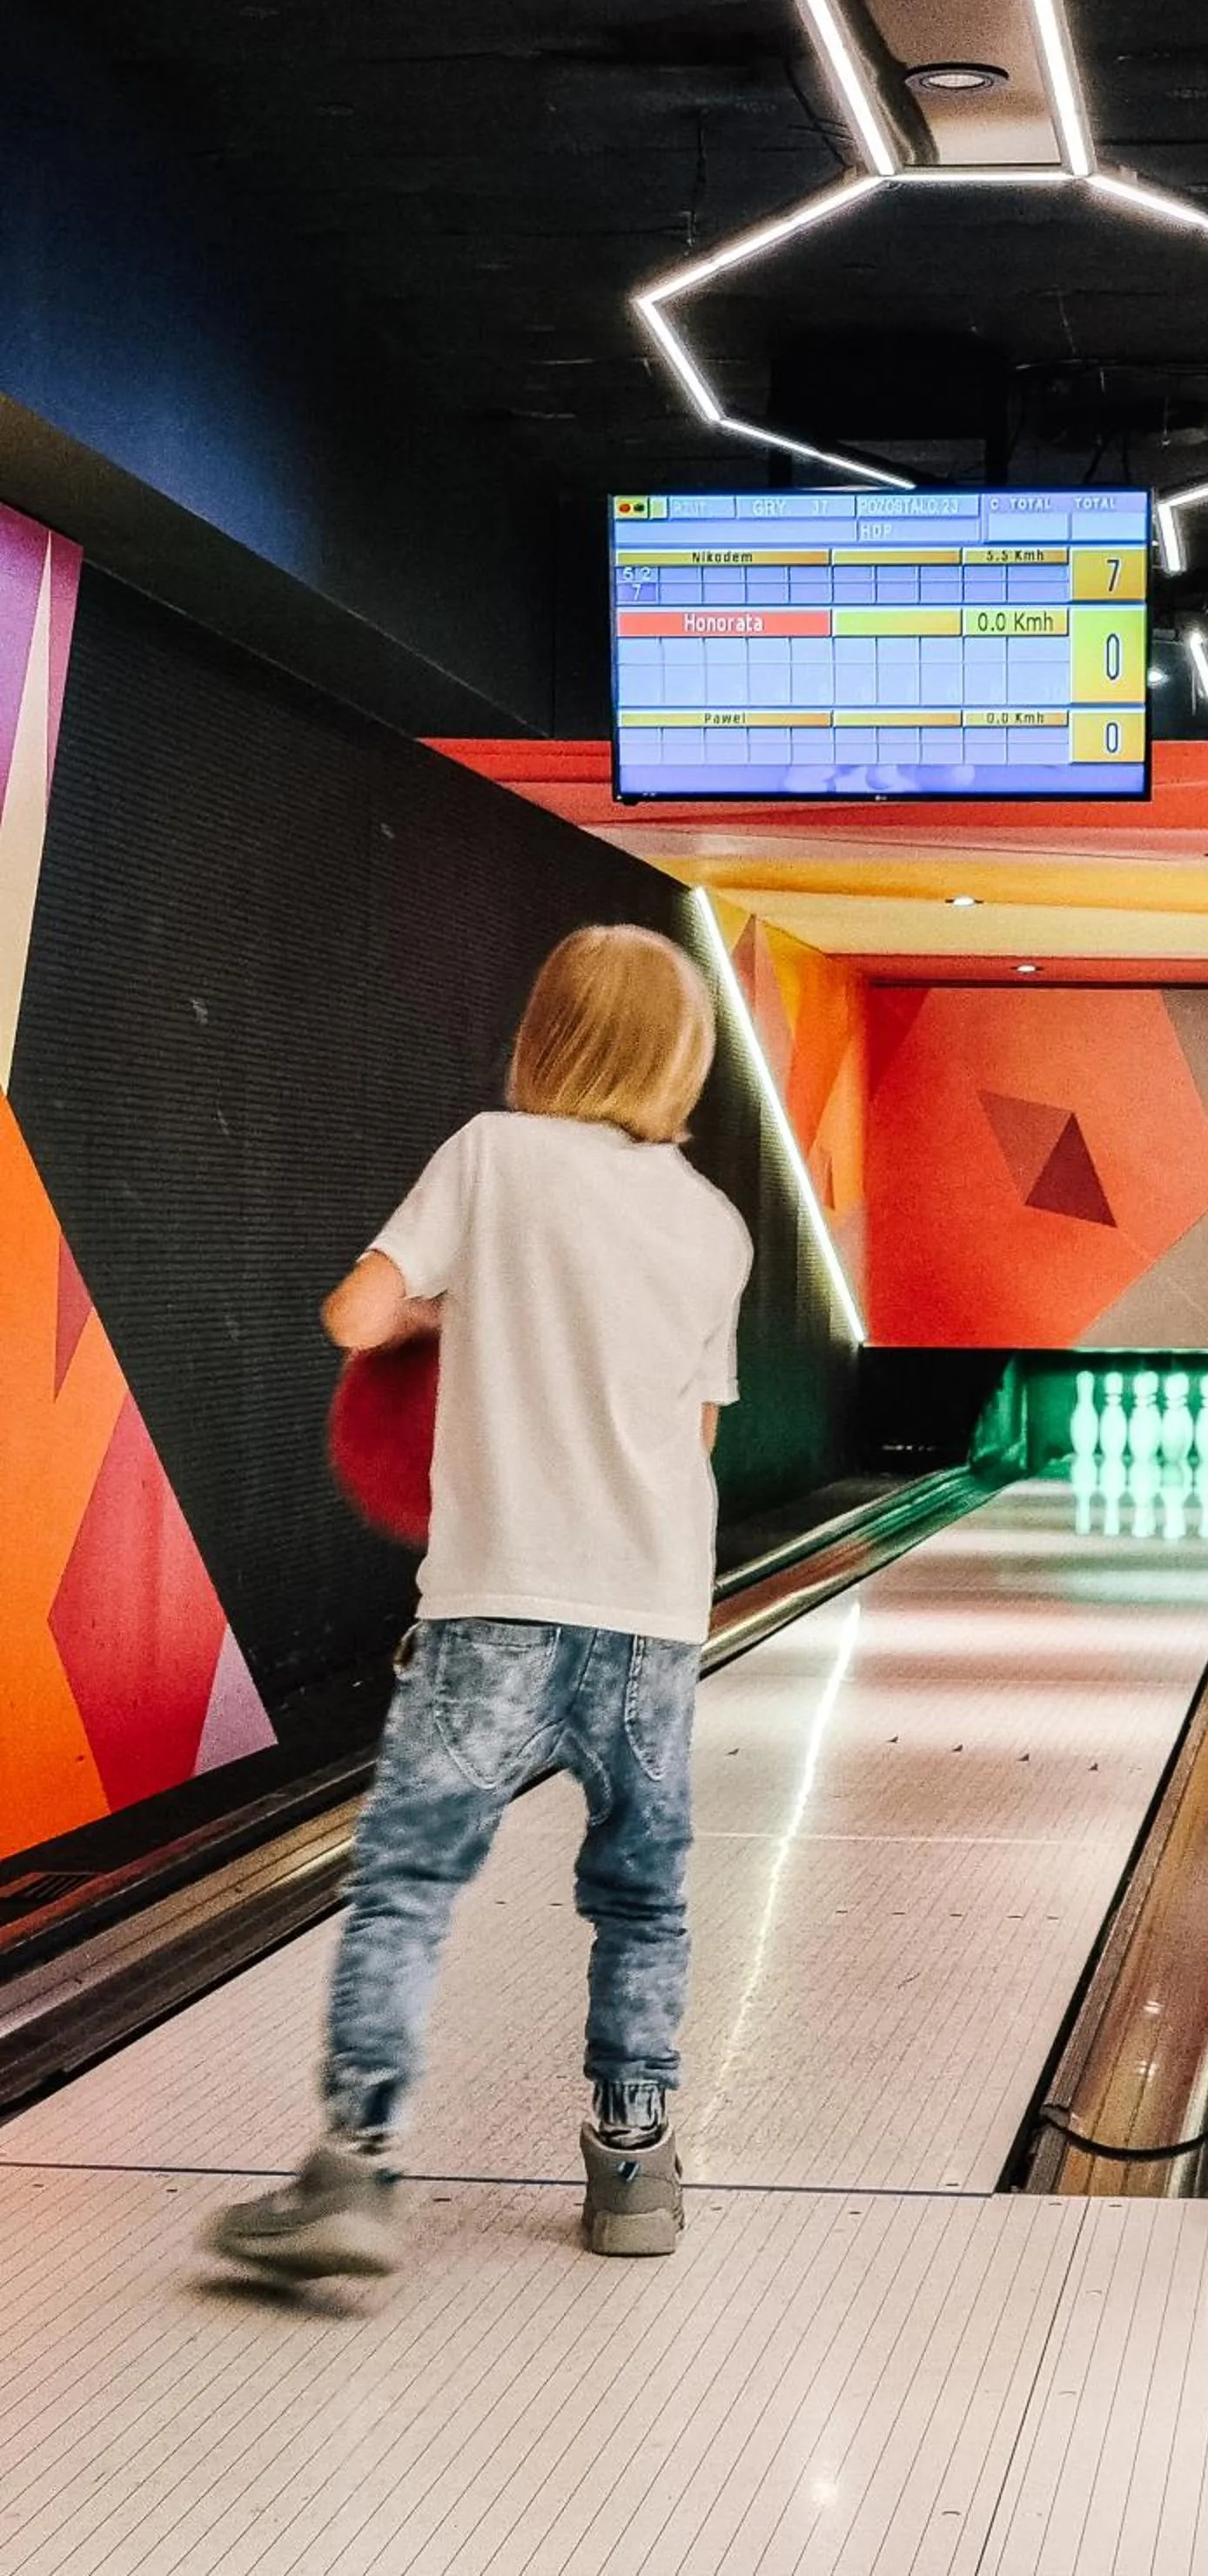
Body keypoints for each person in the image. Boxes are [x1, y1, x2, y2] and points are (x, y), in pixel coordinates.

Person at [205, 925, 752, 2278]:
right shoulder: (713, 1221)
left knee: (408, 1880)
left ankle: (356, 2166)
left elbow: (352, 1315)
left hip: (495, 1605)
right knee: (644, 1896)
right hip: (654, 1616)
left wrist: (445, 1319)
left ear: (546, 1038)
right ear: (682, 1057)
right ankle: (632, 2172)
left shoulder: (490, 1157)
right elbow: (691, 1443)